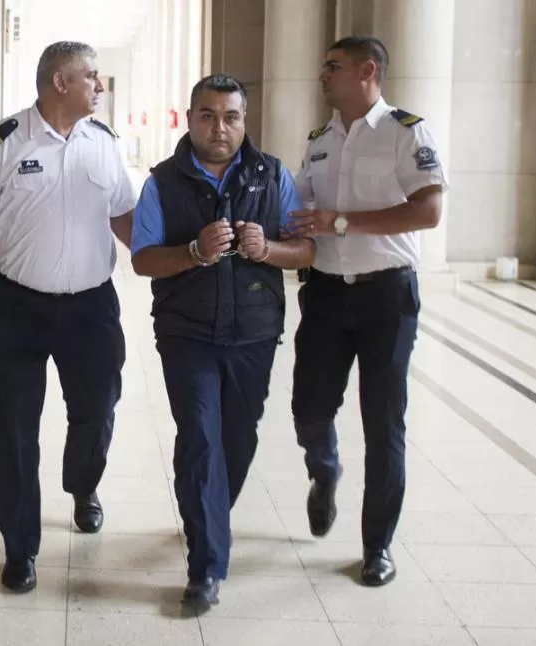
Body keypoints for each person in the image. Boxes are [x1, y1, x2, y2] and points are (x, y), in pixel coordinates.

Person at [0, 41, 137, 594]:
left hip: (92, 307)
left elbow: (126, 217)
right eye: (90, 78)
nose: (98, 87)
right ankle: (20, 548)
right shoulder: (2, 142)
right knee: (13, 432)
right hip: (18, 305)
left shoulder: (103, 144)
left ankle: (82, 485)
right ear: (60, 82)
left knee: (97, 412)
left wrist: (171, 261)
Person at [131, 74, 315, 613]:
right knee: (202, 437)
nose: (219, 127)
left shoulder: (273, 175)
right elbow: (143, 259)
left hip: (254, 332)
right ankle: (206, 566)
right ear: (189, 120)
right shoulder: (162, 182)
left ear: (244, 121)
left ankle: (204, 509)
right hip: (186, 332)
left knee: (236, 438)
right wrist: (193, 250)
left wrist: (269, 250)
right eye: (207, 115)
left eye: (231, 116)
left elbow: (306, 250)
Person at [286, 36, 446, 586]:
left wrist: (343, 222)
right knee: (309, 408)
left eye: (333, 66)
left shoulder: (406, 132)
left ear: (367, 71)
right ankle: (324, 469)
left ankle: (377, 545)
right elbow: (302, 205)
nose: (322, 75)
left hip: (386, 298)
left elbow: (427, 211)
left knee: (383, 425)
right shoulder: (319, 140)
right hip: (327, 295)